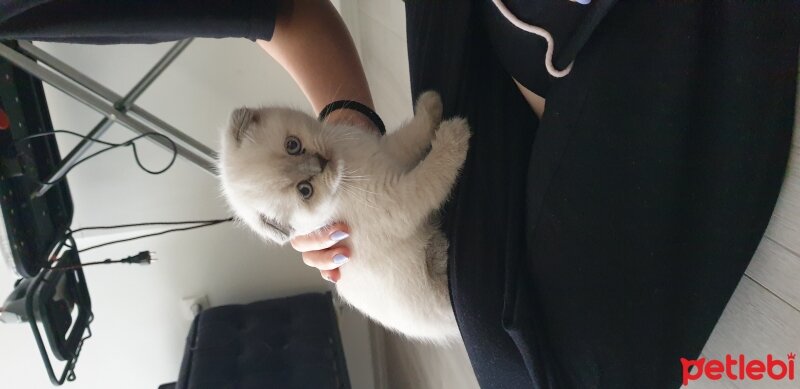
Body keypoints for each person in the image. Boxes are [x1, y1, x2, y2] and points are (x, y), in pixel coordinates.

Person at [2, 1, 798, 387]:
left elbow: (290, 13)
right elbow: (399, 187)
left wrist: (352, 126)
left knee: (563, 356)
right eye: (306, 176)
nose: (314, 156)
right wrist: (365, 146)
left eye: (293, 145)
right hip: (432, 260)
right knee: (511, 345)